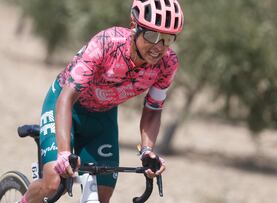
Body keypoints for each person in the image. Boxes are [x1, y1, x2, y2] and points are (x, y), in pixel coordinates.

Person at [19, 0, 184, 202]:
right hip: (65, 104)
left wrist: (147, 151)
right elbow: (67, 98)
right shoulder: (107, 43)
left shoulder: (168, 64)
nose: (159, 47)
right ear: (134, 27)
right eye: (152, 35)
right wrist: (63, 153)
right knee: (53, 183)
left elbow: (153, 108)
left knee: (102, 193)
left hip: (102, 116)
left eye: (167, 39)